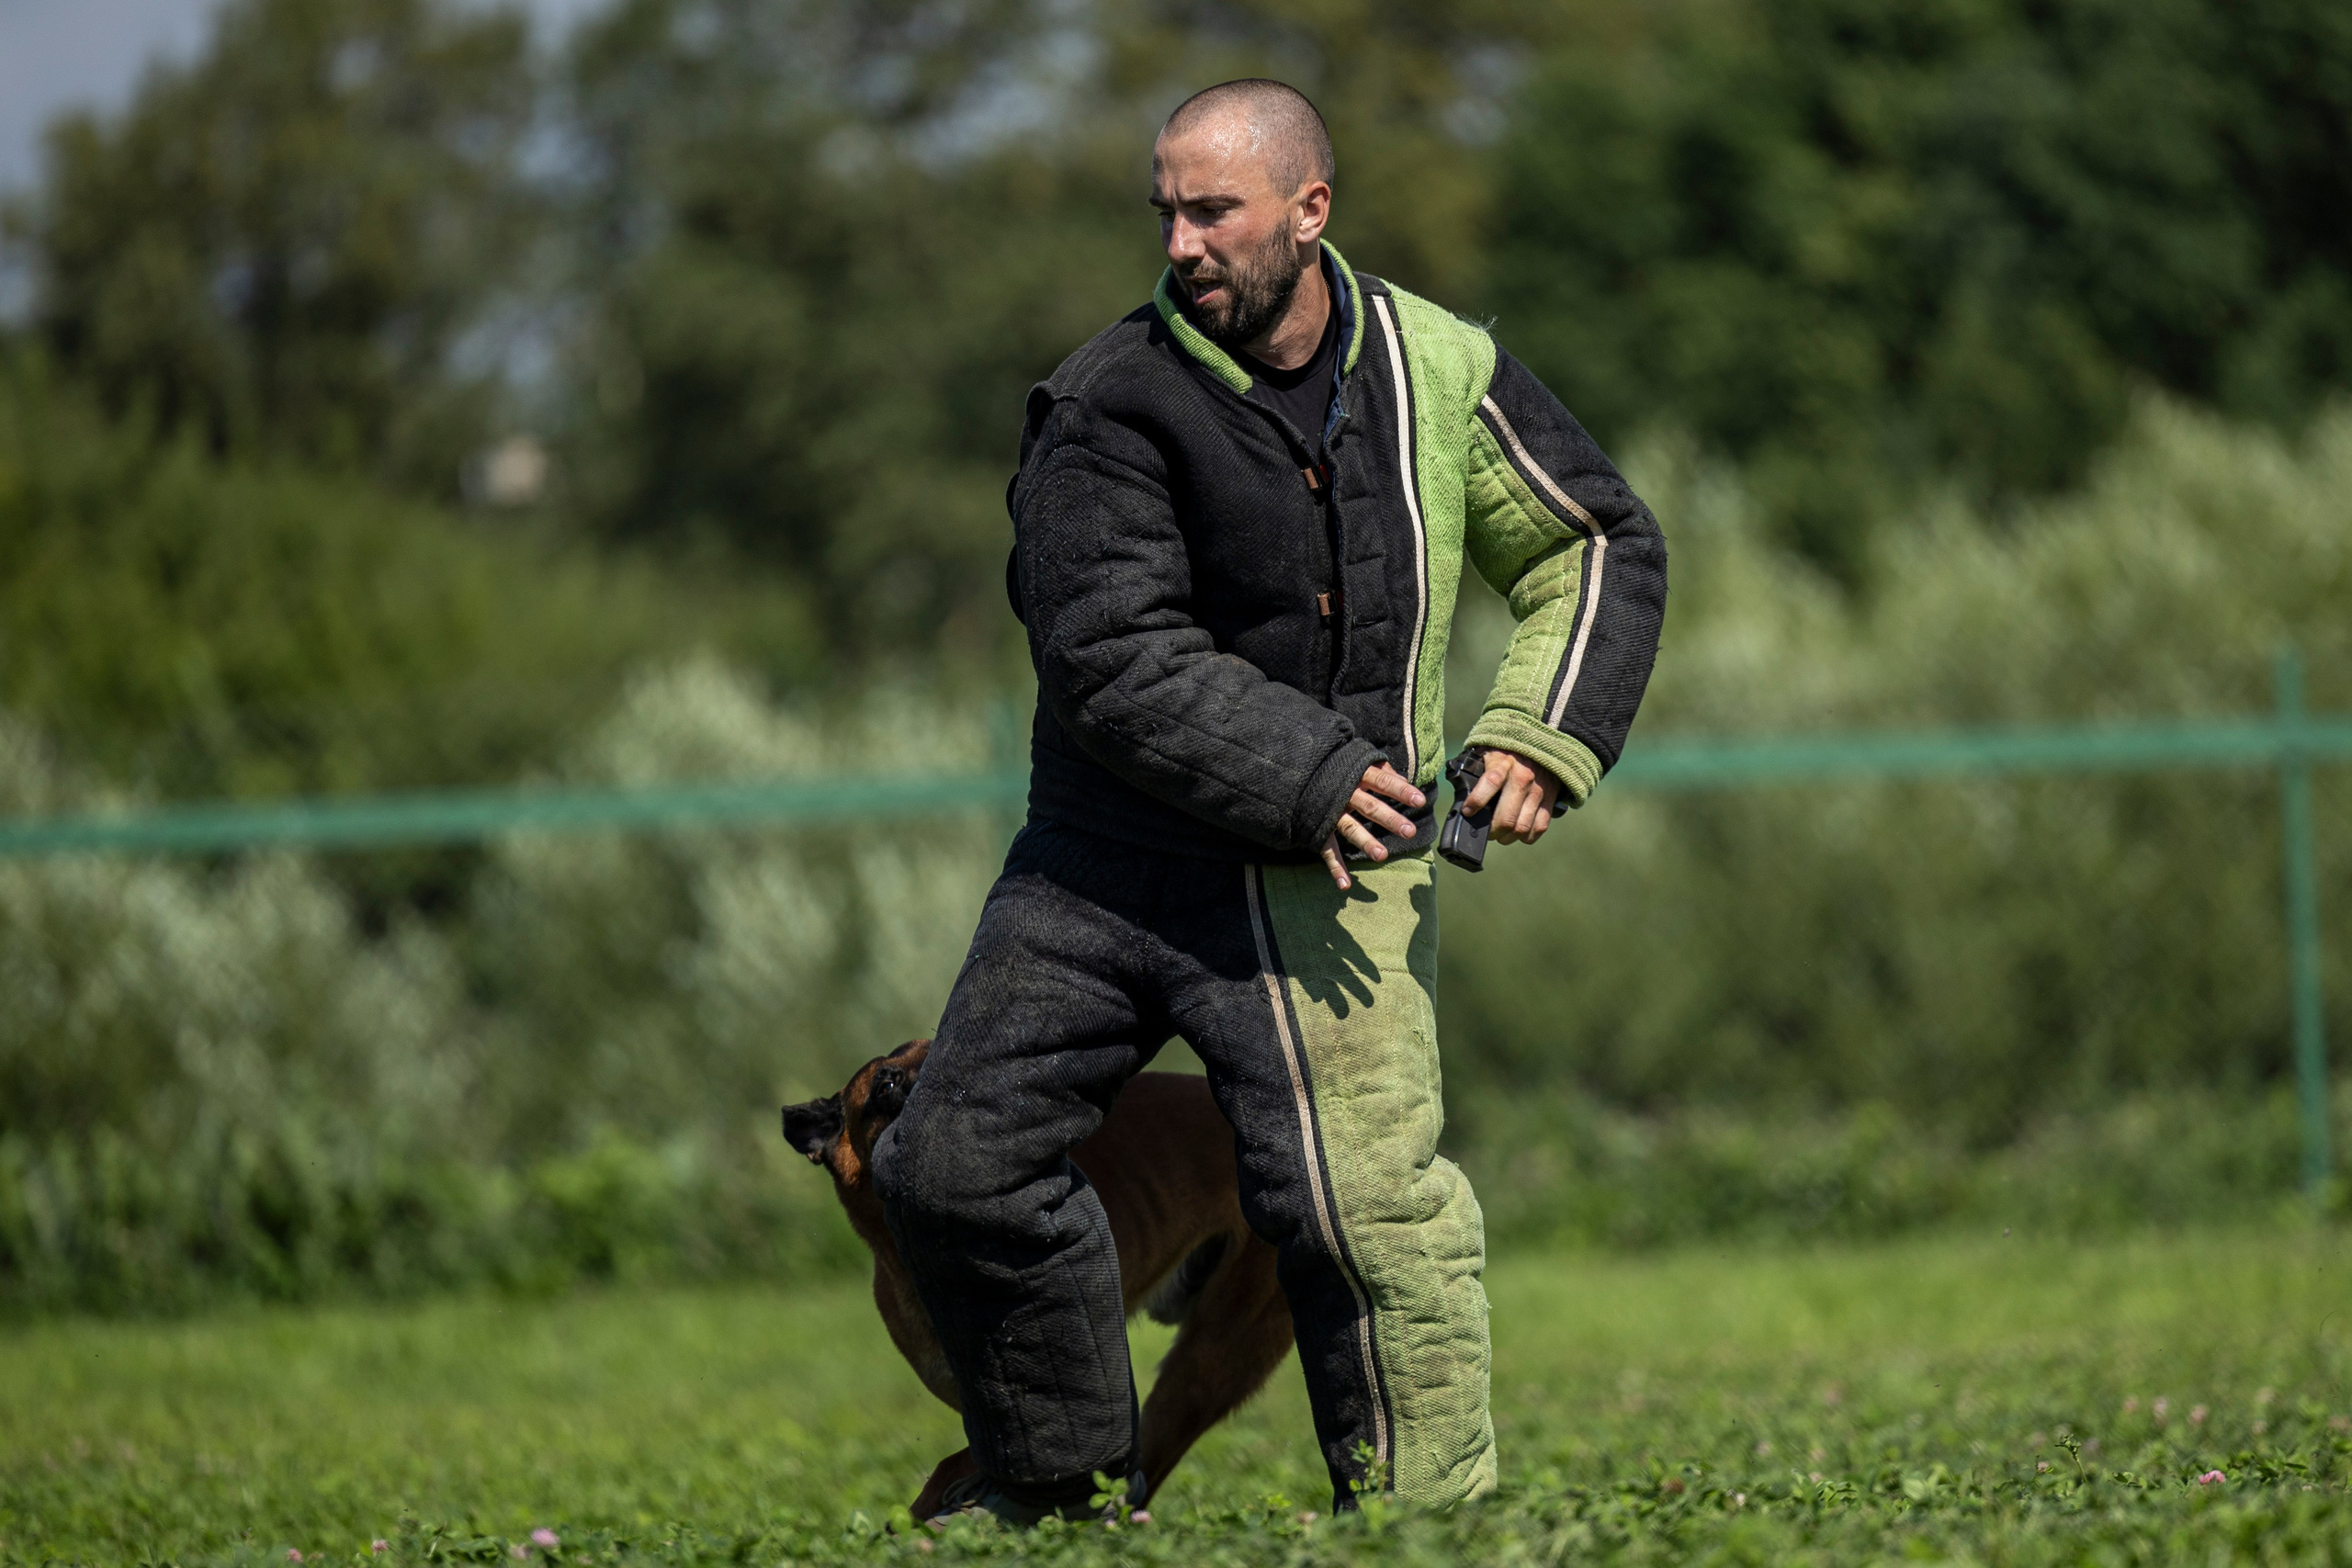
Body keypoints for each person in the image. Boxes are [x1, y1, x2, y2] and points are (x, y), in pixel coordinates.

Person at [874, 78, 1666, 1522]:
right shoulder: (1103, 402)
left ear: (1308, 213)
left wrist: (1538, 738)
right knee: (952, 1166)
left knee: (1365, 1206)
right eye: (1164, 210)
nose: (1179, 241)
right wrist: (1307, 770)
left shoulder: (1439, 367)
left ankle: (1424, 1523)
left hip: (1330, 877)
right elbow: (1109, 653)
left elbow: (1591, 543)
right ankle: (1056, 1485)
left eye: (1212, 209)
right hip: (1101, 863)